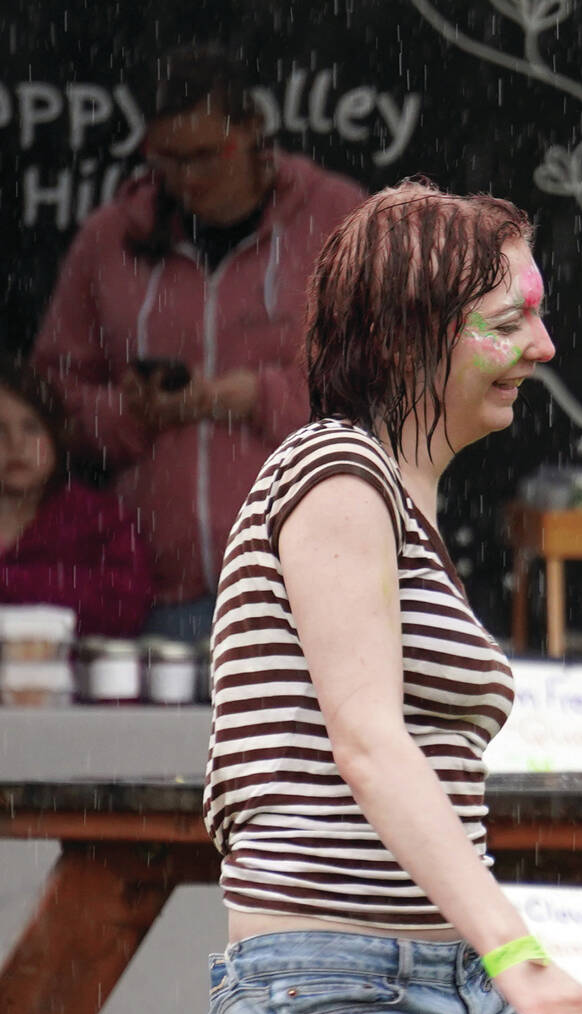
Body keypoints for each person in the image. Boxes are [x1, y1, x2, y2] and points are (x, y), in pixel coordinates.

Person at [202, 181, 582, 1014]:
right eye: (506, 317)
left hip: (457, 1007)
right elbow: (368, 742)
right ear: (408, 333)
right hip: (325, 1000)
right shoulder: (334, 474)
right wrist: (520, 953)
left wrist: (490, 977)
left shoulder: (411, 506)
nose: (542, 344)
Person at [33, 44, 363, 644]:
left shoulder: (337, 218)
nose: (188, 178)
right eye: (168, 160)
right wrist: (126, 415)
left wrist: (253, 398)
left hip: (307, 585)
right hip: (154, 586)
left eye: (208, 155)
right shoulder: (109, 240)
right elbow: (47, 391)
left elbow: (384, 381)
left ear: (256, 134)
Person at [0, 359, 153, 636]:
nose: (16, 444)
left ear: (56, 436)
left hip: (74, 677)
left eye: (31, 427)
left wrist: (11, 583)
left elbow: (123, 608)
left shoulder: (99, 521)